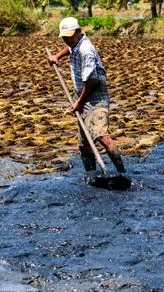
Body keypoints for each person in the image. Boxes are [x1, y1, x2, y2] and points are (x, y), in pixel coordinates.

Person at [48, 17, 126, 174]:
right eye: (64, 37)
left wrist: (79, 101)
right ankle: (91, 175)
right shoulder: (75, 43)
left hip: (95, 96)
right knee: (84, 144)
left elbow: (92, 81)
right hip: (83, 95)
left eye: (69, 36)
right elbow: (69, 49)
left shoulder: (86, 50)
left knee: (101, 136)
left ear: (78, 32)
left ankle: (122, 173)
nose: (66, 40)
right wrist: (57, 56)